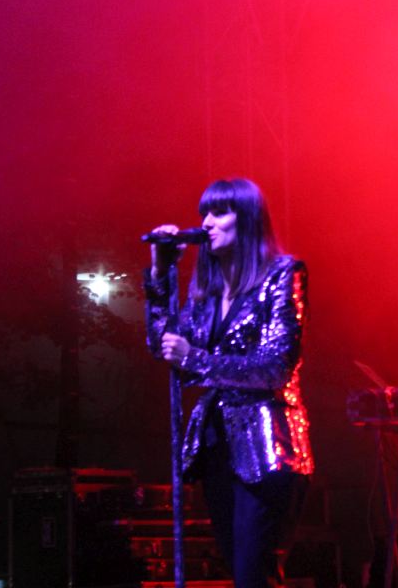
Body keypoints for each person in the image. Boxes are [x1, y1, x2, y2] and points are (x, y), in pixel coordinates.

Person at [144, 178, 312, 588]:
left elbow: (275, 367)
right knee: (239, 573)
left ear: (248, 219)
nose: (206, 222)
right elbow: (162, 344)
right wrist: (161, 273)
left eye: (219, 212)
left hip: (267, 449)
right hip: (217, 447)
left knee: (255, 573)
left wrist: (196, 358)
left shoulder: (282, 275)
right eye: (204, 213)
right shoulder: (206, 292)